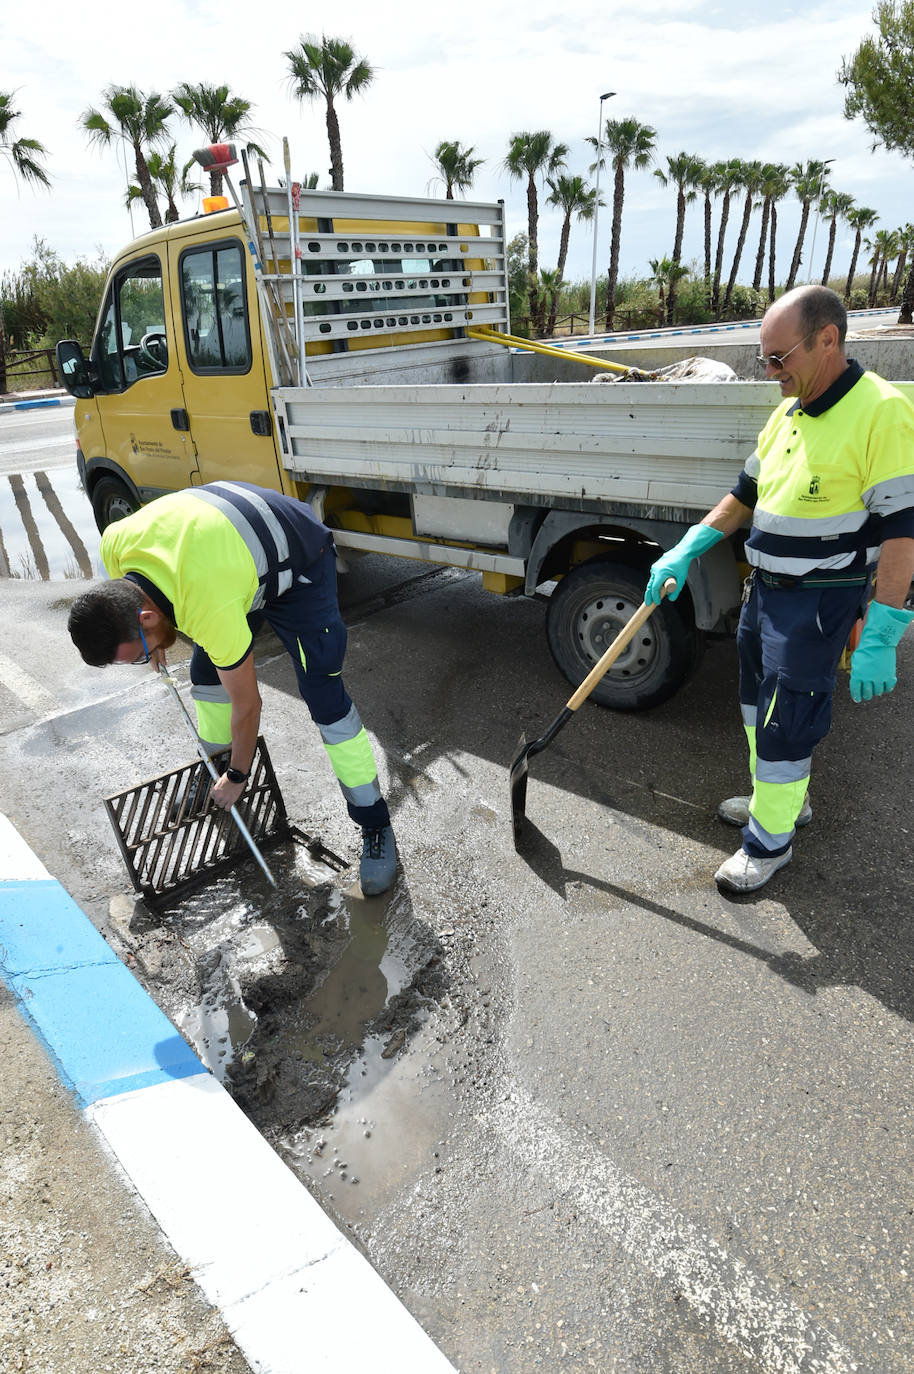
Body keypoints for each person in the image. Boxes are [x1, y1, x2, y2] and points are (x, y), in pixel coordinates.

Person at [646, 285, 914, 894]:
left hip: (819, 603)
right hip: (763, 592)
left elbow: (904, 529)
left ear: (828, 340)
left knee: (785, 719)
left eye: (779, 358)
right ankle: (783, 800)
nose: (770, 373)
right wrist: (686, 549)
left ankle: (769, 842)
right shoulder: (787, 412)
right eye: (764, 359)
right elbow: (744, 497)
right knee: (753, 707)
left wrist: (885, 629)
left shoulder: (881, 411)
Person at [67, 480, 397, 896]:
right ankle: (213, 770)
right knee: (206, 678)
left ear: (147, 617)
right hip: (233, 557)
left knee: (325, 699)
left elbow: (248, 703)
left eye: (134, 655)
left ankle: (375, 823)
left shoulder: (207, 604)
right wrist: (145, 646)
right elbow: (128, 602)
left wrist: (241, 775)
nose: (141, 660)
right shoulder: (116, 544)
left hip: (299, 564)